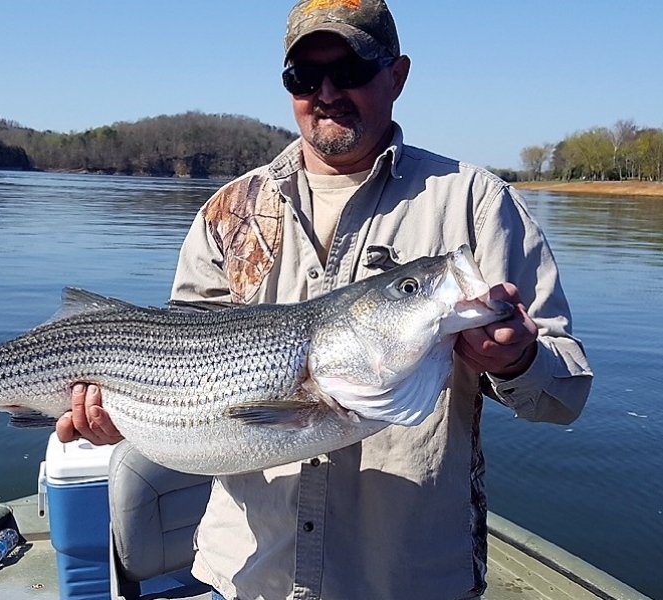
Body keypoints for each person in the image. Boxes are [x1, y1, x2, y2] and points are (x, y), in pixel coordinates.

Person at [57, 1, 593, 598]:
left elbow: (565, 394)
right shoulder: (228, 212)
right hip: (244, 577)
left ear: (397, 75)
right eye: (305, 76)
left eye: (351, 67)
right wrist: (119, 420)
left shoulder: (475, 205)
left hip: (405, 580)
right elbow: (177, 369)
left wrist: (517, 361)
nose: (328, 91)